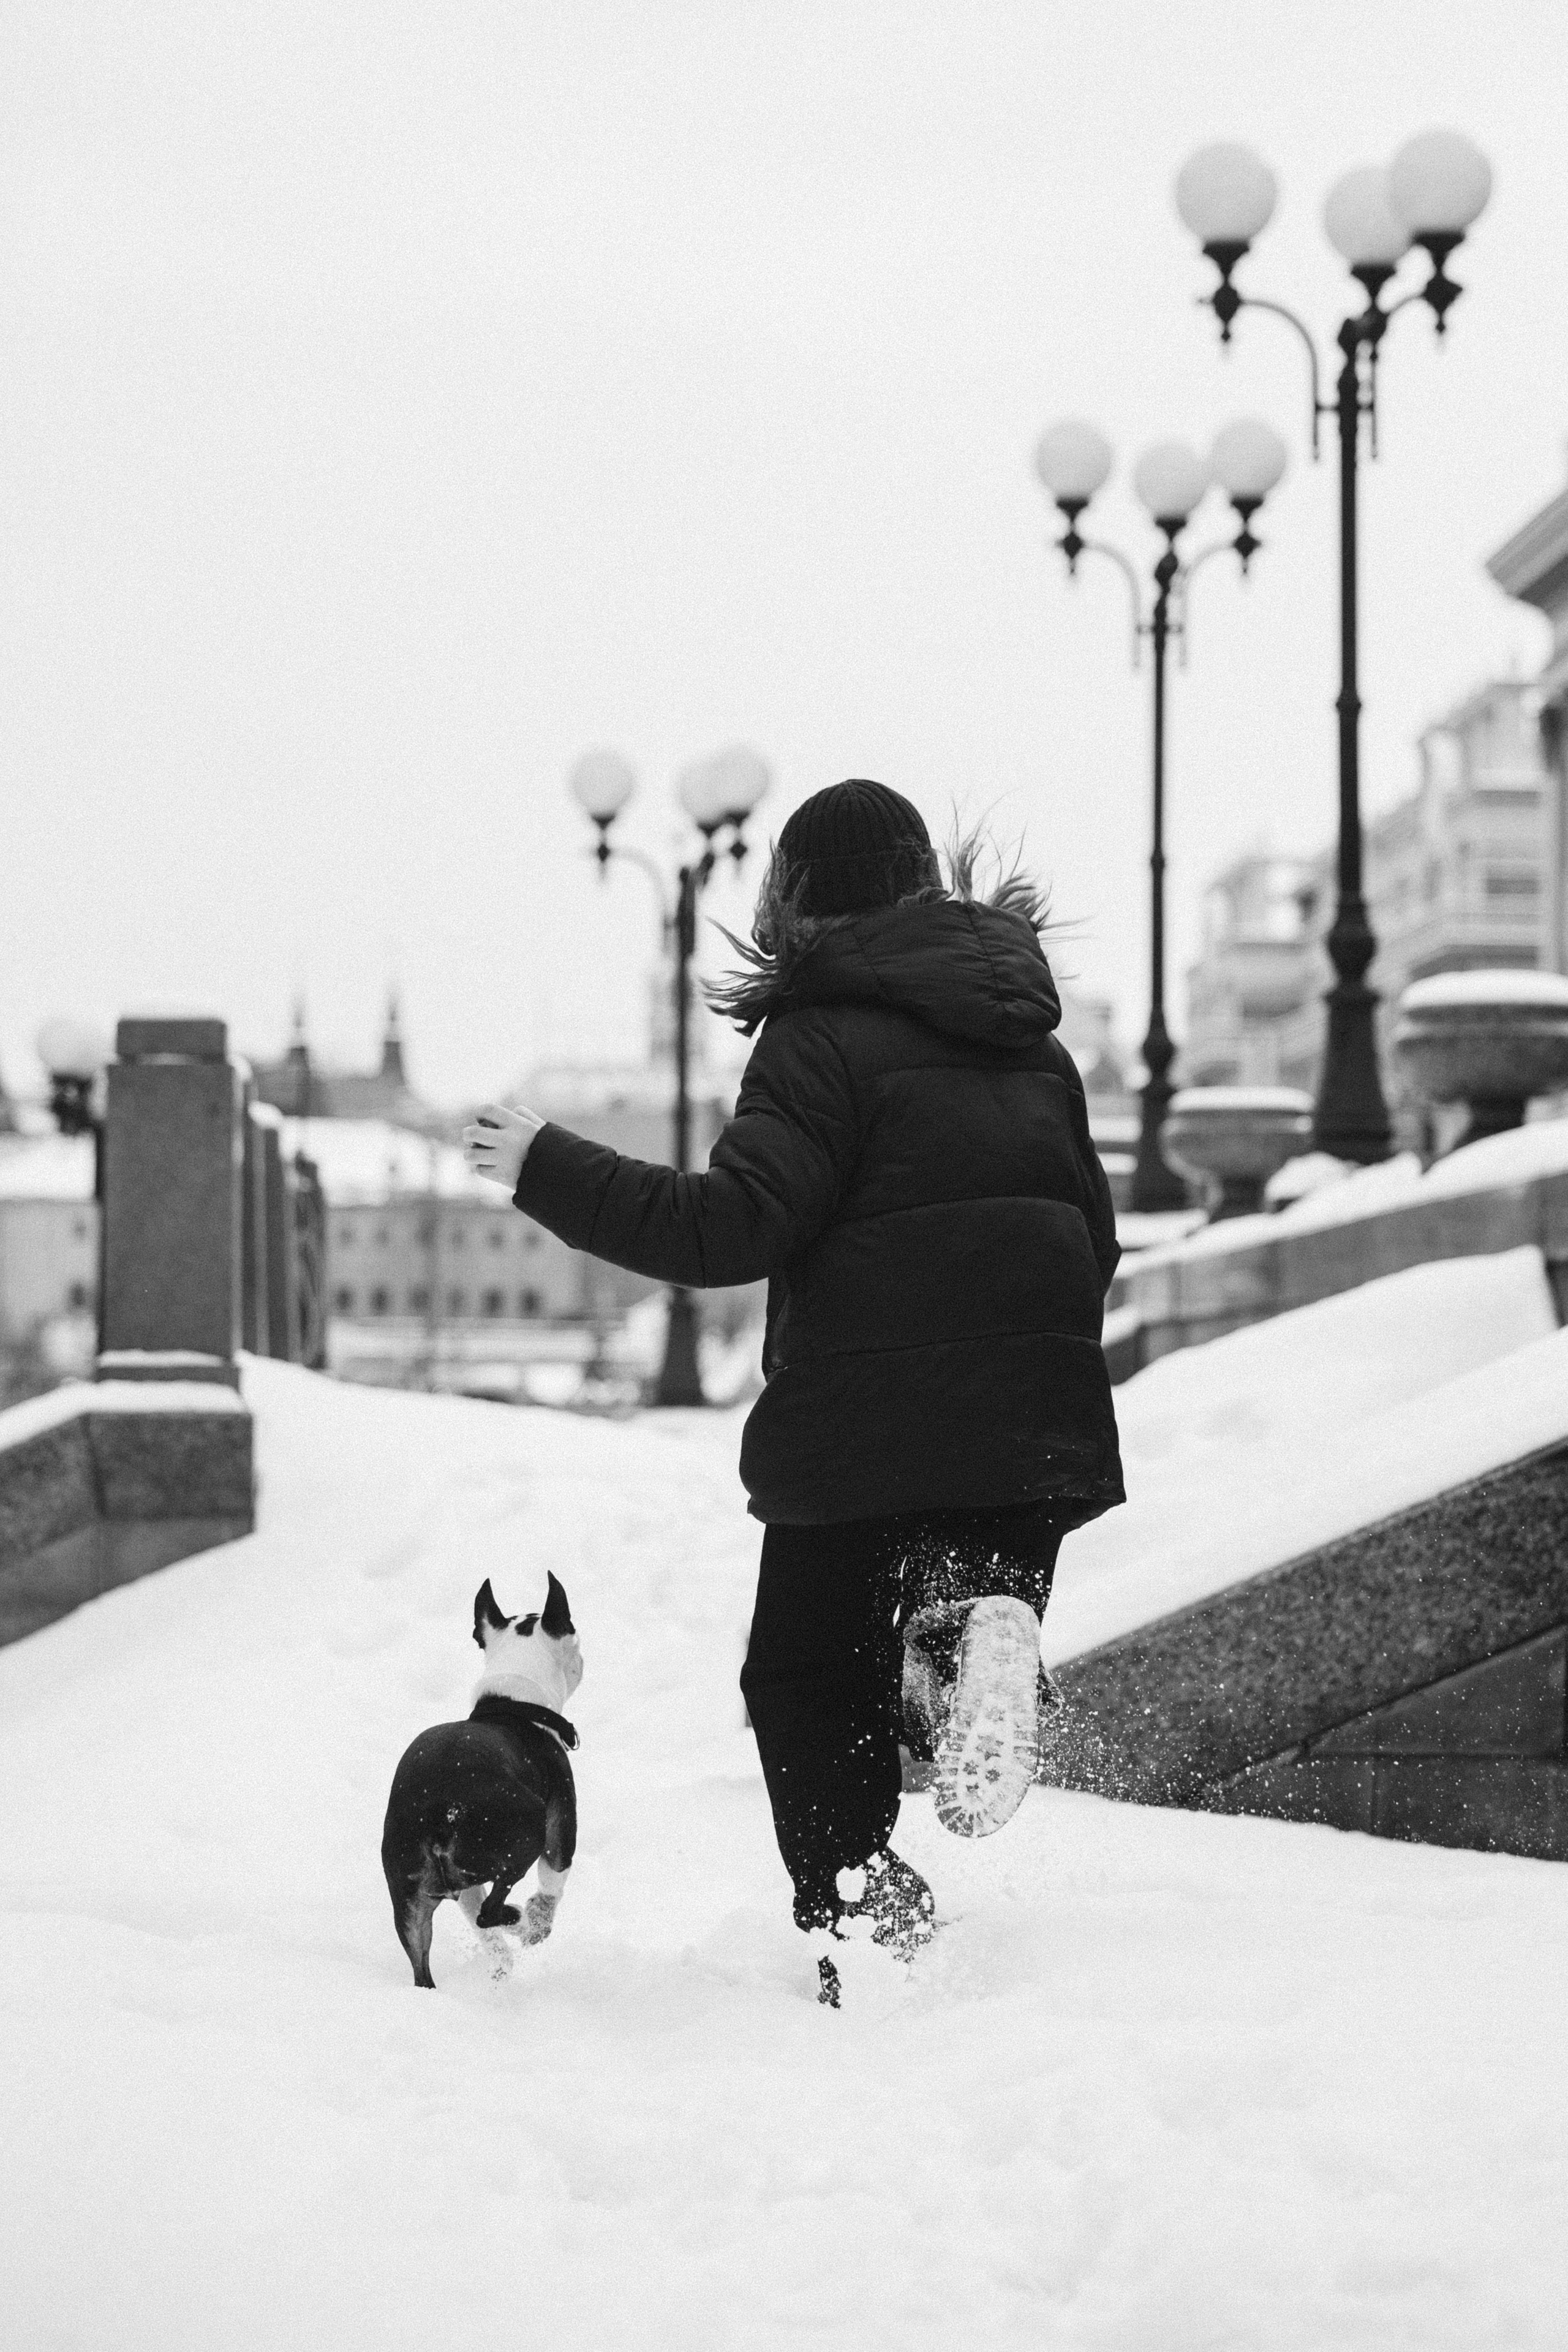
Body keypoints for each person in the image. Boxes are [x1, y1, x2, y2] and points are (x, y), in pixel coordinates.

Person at [463, 780, 1123, 2000]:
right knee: (940, 1615)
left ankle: (859, 1899)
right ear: (926, 882)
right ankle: (961, 1644)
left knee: (805, 1677)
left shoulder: (817, 1039)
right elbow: (1094, 1236)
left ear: (796, 904)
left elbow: (726, 1229)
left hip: (868, 1434)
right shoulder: (1031, 1042)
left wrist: (545, 1166)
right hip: (1037, 1430)